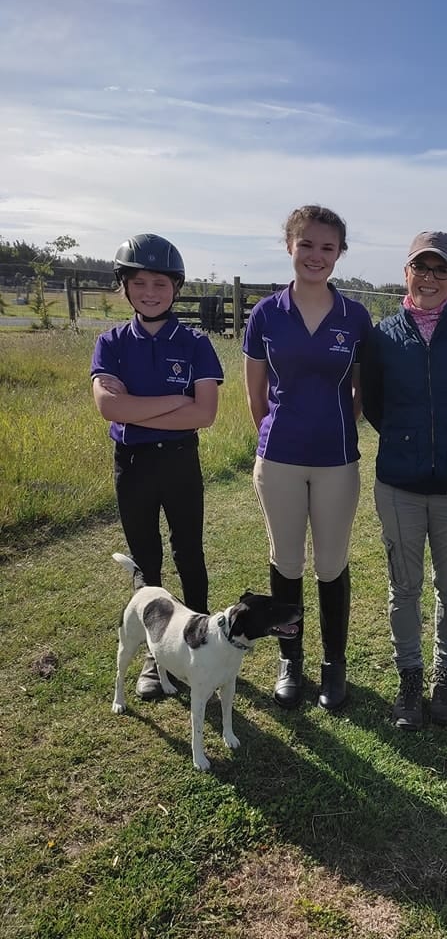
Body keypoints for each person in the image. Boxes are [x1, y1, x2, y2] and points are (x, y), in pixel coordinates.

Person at [361, 231, 447, 729]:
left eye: (441, 269)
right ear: (406, 273)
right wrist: (407, 441)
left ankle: (446, 676)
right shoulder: (382, 335)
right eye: (421, 267)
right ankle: (410, 677)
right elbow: (374, 404)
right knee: (404, 586)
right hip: (399, 483)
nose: (430, 278)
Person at [243, 205, 372, 712]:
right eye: (307, 245)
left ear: (340, 253)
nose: (316, 256)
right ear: (289, 247)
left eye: (327, 247)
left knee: (332, 562)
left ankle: (334, 664)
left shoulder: (355, 317)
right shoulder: (265, 313)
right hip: (279, 460)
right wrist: (281, 436)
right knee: (287, 561)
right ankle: (290, 661)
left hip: (336, 461)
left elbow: (360, 393)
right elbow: (256, 395)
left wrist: (333, 429)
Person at [91, 233, 224, 699]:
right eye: (140, 282)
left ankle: (200, 643)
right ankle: (156, 655)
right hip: (132, 463)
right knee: (147, 560)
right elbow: (109, 408)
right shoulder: (110, 343)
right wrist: (174, 401)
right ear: (124, 286)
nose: (150, 292)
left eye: (160, 283)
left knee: (189, 553)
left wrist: (136, 407)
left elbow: (204, 414)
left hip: (179, 461)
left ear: (176, 288)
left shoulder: (195, 343)